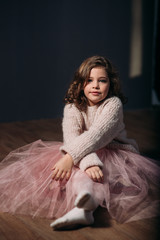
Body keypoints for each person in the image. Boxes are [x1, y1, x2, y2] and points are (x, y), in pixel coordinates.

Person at [0, 56, 159, 230]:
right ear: (80, 83)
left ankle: (85, 205)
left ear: (111, 84)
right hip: (81, 150)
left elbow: (97, 135)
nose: (95, 86)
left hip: (114, 151)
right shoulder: (72, 106)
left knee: (99, 175)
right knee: (80, 173)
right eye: (89, 80)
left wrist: (71, 158)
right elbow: (71, 137)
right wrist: (87, 162)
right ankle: (84, 208)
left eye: (102, 81)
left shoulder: (113, 104)